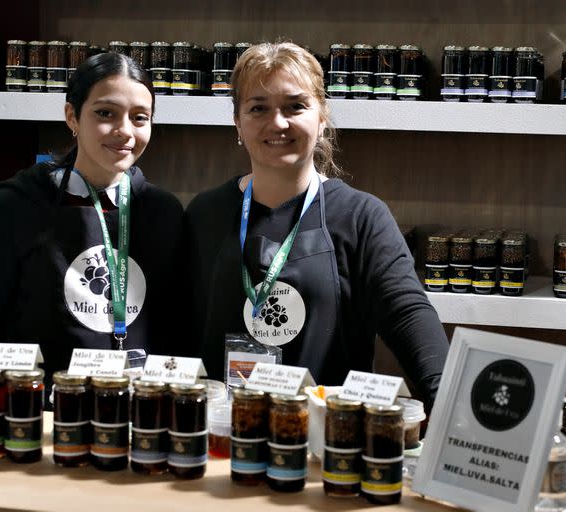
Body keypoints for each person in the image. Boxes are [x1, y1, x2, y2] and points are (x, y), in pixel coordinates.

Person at [186, 42, 449, 408]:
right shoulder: (205, 213)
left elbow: (408, 314)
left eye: (296, 106)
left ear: (322, 117)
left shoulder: (361, 216)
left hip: (325, 444)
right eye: (258, 108)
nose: (277, 122)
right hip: (222, 441)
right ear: (238, 123)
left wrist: (454, 411)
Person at [0, 52, 185, 377]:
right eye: (106, 113)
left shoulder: (164, 213)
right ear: (72, 116)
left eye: (140, 118)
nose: (125, 131)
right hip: (43, 413)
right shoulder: (11, 207)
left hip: (138, 411)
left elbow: (176, 334)